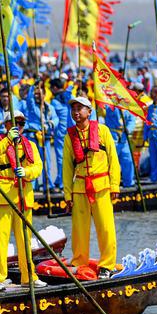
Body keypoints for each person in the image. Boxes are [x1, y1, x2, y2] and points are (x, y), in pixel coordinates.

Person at [0, 110, 45, 291]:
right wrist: (7, 141)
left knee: (25, 239)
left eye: (21, 123)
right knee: (1, 239)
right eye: (15, 122)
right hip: (4, 196)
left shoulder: (29, 145)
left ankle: (29, 277)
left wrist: (26, 172)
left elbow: (38, 167)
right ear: (7, 125)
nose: (18, 126)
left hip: (23, 196)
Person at [62, 96, 120, 278]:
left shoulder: (102, 130)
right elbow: (66, 167)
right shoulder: (69, 136)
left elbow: (113, 160)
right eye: (73, 109)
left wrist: (114, 185)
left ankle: (107, 265)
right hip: (79, 187)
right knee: (79, 229)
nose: (76, 112)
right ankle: (79, 262)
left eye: (80, 108)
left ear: (89, 111)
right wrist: (67, 195)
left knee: (106, 227)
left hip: (101, 186)